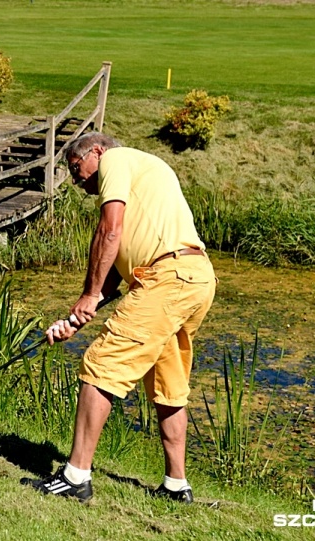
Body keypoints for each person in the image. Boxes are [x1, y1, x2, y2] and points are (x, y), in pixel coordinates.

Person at [21, 132, 217, 504]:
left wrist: (89, 294)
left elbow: (110, 231)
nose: (78, 181)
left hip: (169, 278)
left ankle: (75, 477)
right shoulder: (142, 169)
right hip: (195, 277)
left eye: (76, 169)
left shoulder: (116, 161)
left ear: (96, 151)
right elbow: (116, 269)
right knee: (168, 385)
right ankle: (177, 486)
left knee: (101, 365)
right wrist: (79, 315)